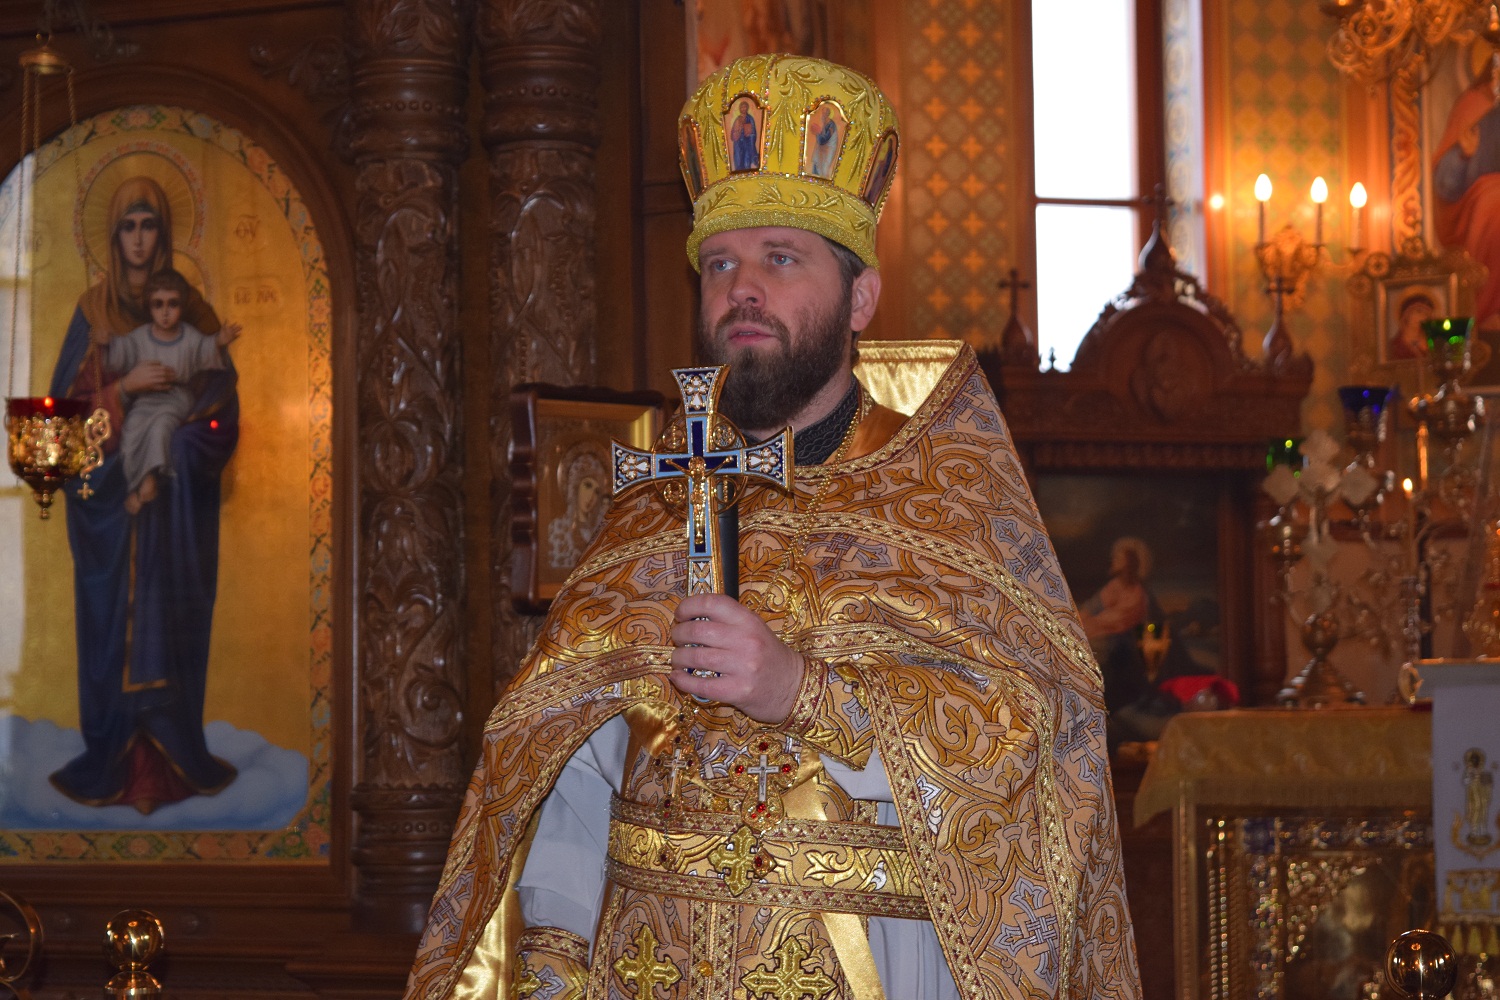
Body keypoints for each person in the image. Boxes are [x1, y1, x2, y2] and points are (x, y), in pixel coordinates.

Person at [405, 54, 1140, 1000]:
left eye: (780, 258)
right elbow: (564, 777)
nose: (741, 288)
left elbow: (1035, 734)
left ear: (860, 298)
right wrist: (549, 974)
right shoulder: (647, 508)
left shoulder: (944, 496)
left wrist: (803, 690)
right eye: (720, 264)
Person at [48, 174, 239, 814]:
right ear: (111, 235)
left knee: (175, 625)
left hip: (178, 517)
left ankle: (173, 755)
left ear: (164, 232)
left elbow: (221, 413)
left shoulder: (195, 313)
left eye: (148, 225)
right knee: (109, 630)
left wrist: (182, 446)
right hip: (109, 513)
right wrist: (123, 391)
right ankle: (110, 757)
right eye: (127, 226)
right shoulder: (92, 316)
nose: (137, 239)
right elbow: (62, 430)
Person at [99, 268, 243, 515]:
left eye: (172, 304)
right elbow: (125, 351)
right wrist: (109, 342)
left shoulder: (189, 337)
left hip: (176, 398)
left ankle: (151, 480)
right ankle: (140, 482)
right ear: (149, 306)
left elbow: (205, 349)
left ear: (182, 306)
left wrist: (220, 340)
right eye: (158, 304)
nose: (165, 312)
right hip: (145, 400)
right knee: (132, 430)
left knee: (161, 427)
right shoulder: (141, 337)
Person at [1434, 52, 1500, 330]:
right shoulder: (1473, 104)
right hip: (1481, 203)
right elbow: (1445, 186)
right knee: (1494, 205)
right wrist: (1464, 155)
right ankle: (1488, 311)